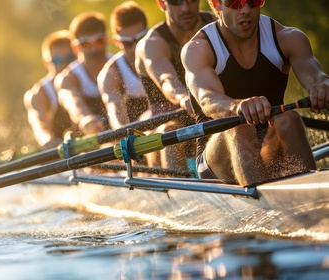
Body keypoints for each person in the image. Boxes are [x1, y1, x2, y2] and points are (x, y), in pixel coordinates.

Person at [181, 0, 329, 185]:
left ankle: (311, 197)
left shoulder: (288, 37)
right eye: (235, 3)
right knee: (240, 126)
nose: (245, 10)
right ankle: (263, 206)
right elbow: (207, 99)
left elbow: (317, 77)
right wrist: (236, 106)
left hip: (269, 149)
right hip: (217, 162)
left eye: (253, 2)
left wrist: (322, 87)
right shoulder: (198, 48)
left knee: (289, 118)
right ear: (217, 5)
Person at [135, 0, 215, 170]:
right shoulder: (153, 43)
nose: (185, 8)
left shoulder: (218, 25)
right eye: (176, 2)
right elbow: (166, 79)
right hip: (174, 120)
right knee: (168, 133)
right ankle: (182, 191)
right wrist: (183, 97)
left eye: (191, 0)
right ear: (162, 4)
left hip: (216, 110)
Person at [55, 12, 111, 136]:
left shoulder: (119, 65)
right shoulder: (68, 78)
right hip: (93, 140)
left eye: (99, 41)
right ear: (76, 47)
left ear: (106, 39)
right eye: (86, 44)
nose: (94, 49)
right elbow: (72, 102)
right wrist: (85, 118)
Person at [97, 1, 150, 130]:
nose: (134, 48)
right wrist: (123, 130)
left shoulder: (162, 53)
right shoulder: (110, 74)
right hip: (139, 136)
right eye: (127, 43)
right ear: (116, 41)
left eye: (139, 39)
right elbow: (116, 115)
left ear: (149, 33)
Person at [24, 30, 77, 149]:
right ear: (46, 63)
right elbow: (40, 125)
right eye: (56, 61)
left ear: (77, 55)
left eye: (69, 58)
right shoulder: (39, 94)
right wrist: (46, 139)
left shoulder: (91, 75)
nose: (64, 65)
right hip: (65, 153)